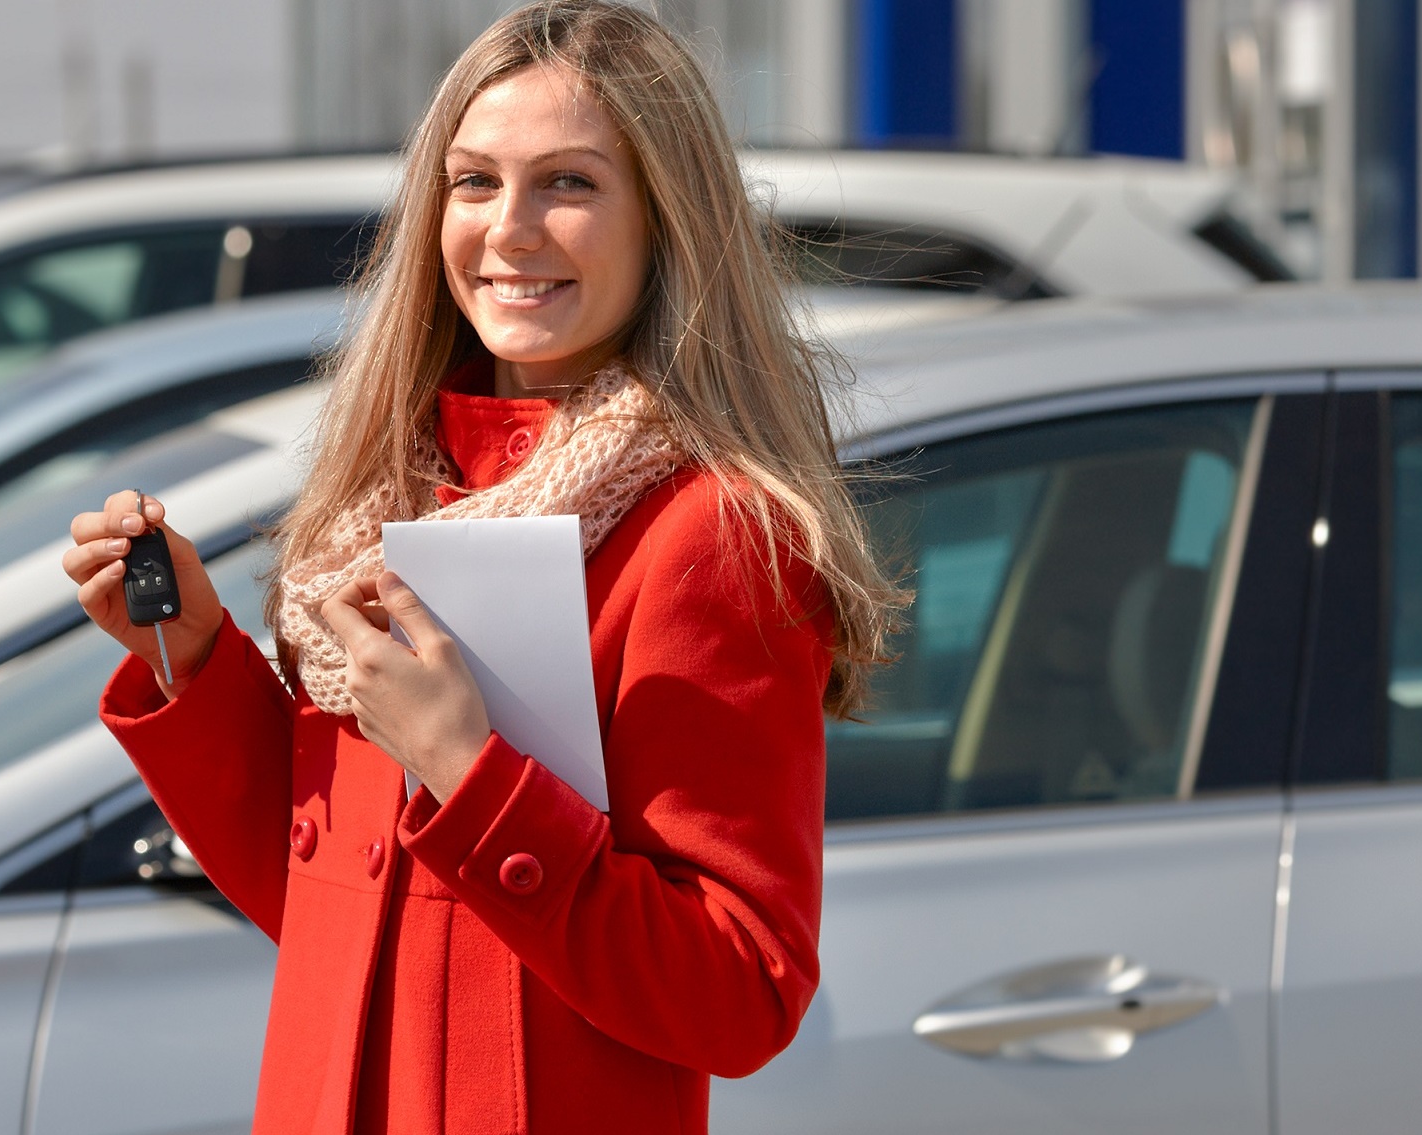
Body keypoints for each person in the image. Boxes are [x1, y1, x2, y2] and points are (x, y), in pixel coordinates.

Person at [62, 2, 899, 1131]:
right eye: (474, 182)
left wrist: (469, 766)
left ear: (666, 219)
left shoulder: (710, 530)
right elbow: (326, 907)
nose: (510, 229)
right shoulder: (383, 499)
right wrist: (195, 656)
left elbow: (741, 992)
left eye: (569, 183)